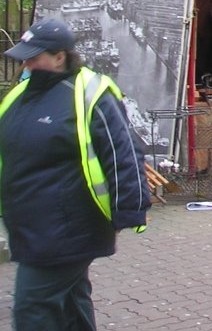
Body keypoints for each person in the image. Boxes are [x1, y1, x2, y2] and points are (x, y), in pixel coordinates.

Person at [0, 17, 150, 329]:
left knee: (33, 308)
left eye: (34, 55)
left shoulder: (90, 93)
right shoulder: (20, 94)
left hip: (67, 229)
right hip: (30, 226)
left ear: (60, 56)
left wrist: (129, 211)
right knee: (71, 302)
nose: (26, 62)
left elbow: (123, 151)